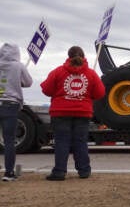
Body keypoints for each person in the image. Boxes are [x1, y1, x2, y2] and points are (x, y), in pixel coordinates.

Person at [41, 46, 105, 181]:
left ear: (68, 57)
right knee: (80, 142)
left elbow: (46, 89)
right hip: (82, 112)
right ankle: (84, 171)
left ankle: (59, 172)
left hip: (60, 112)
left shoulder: (58, 72)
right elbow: (100, 93)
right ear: (84, 56)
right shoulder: (91, 74)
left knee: (61, 142)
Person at [0, 43, 33, 181]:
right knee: (9, 140)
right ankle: (9, 173)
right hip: (11, 104)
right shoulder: (18, 66)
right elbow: (28, 82)